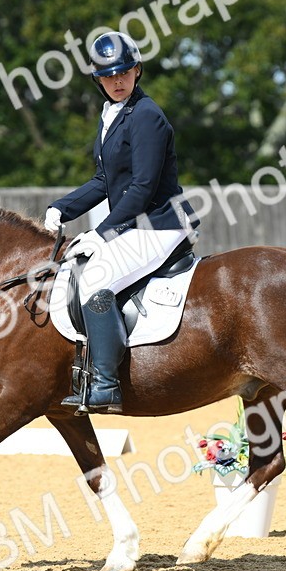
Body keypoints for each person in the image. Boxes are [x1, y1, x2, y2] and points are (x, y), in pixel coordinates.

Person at [43, 30, 199, 413]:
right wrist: (63, 207)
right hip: (139, 223)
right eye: (109, 75)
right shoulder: (110, 116)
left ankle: (106, 385)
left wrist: (102, 234)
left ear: (137, 70)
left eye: (124, 72)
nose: (117, 81)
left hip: (161, 224)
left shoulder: (147, 116)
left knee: (96, 279)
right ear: (97, 79)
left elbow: (144, 186)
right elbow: (105, 181)